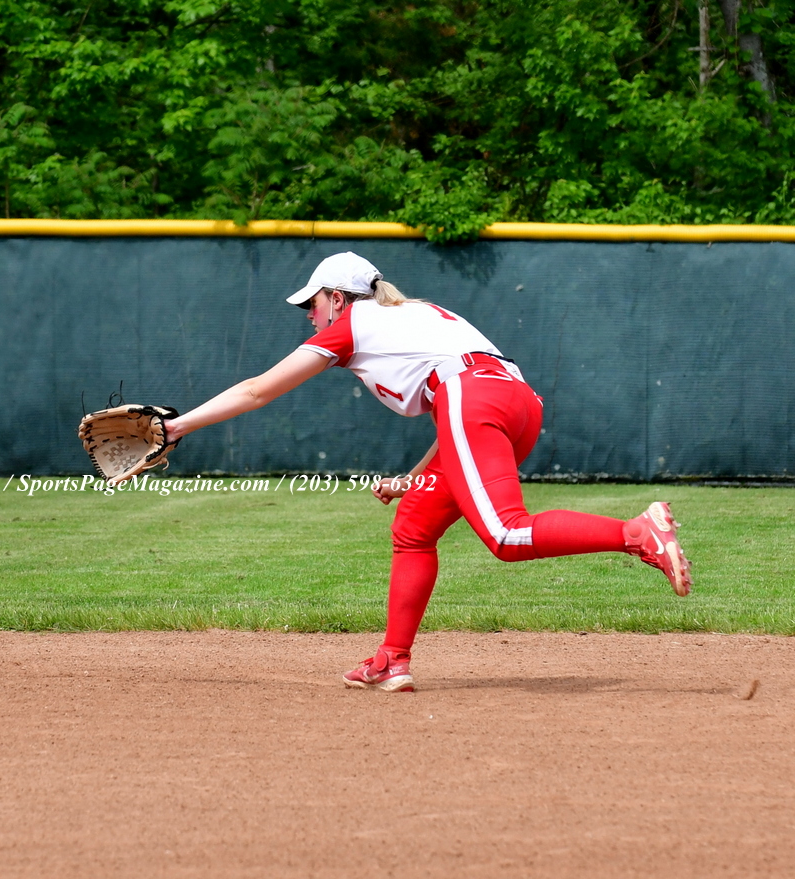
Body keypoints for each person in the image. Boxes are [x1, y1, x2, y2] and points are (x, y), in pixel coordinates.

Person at [162, 251, 692, 692]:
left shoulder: (352, 324)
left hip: (475, 398)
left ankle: (635, 533)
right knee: (414, 526)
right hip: (514, 403)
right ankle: (392, 659)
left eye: (313, 302)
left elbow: (257, 390)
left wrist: (177, 427)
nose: (309, 313)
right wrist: (411, 477)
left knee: (506, 533)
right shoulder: (413, 313)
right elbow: (457, 405)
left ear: (338, 299)